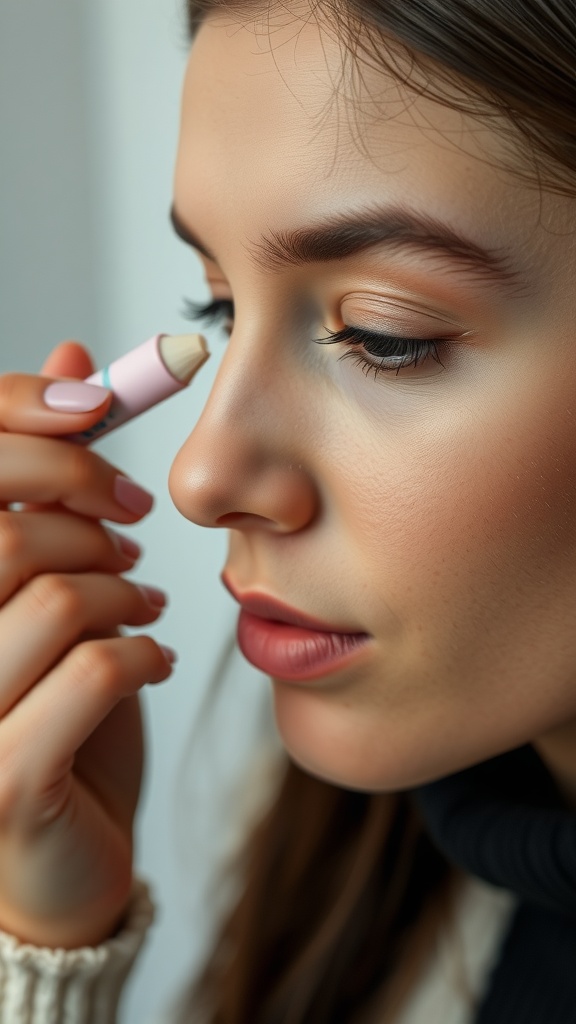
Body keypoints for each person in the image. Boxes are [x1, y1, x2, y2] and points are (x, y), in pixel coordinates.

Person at [0, 0, 575, 1021]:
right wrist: (45, 944)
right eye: (220, 305)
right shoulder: (363, 869)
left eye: (383, 334)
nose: (198, 477)